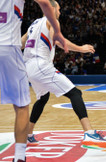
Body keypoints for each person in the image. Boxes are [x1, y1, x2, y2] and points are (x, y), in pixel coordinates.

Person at [21, 0, 106, 149]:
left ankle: (28, 134)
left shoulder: (33, 24)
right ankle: (89, 133)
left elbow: (21, 43)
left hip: (28, 67)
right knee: (75, 93)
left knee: (43, 98)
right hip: (41, 65)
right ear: (52, 8)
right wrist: (81, 48)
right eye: (59, 9)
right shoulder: (52, 20)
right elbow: (57, 40)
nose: (60, 12)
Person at [0, 0, 67, 161]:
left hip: (14, 47)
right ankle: (20, 156)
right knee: (22, 107)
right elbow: (45, 2)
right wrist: (57, 30)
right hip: (8, 46)